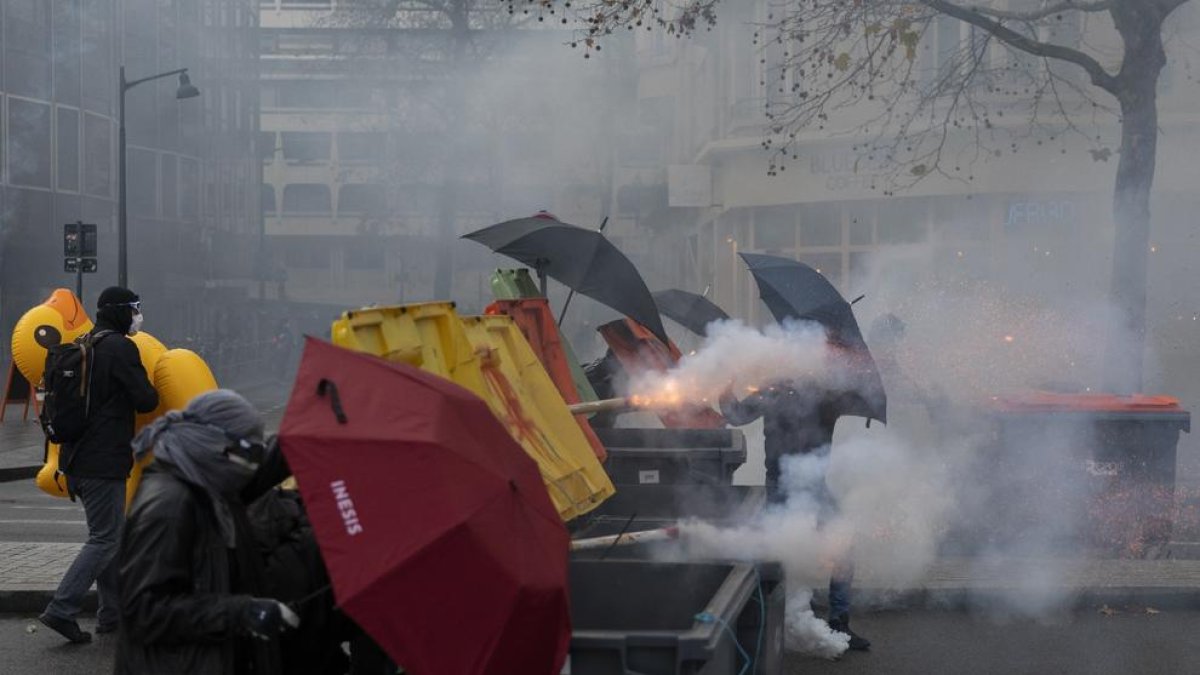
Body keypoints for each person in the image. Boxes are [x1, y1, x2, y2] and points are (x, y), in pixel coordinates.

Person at [113, 389, 301, 674]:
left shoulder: (211, 480)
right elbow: (143, 611)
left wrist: (311, 434)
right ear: (217, 445)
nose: (253, 459)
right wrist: (241, 613)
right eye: (249, 449)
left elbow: (262, 467)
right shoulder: (169, 505)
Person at [39, 287, 158, 644]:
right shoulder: (121, 347)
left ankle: (112, 615)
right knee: (104, 539)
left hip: (78, 458)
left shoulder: (87, 342)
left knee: (111, 537)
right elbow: (146, 398)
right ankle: (61, 609)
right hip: (103, 460)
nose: (138, 315)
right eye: (135, 308)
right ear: (121, 311)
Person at [720, 382, 871, 651]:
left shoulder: (827, 392)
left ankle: (839, 622)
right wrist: (725, 387)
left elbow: (857, 400)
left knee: (842, 548)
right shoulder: (773, 391)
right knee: (771, 554)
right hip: (780, 483)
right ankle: (762, 623)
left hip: (814, 485)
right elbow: (737, 415)